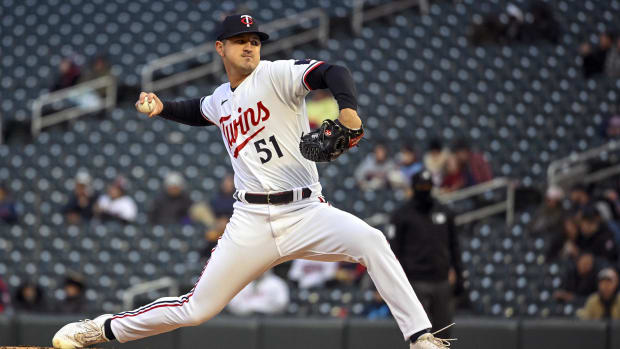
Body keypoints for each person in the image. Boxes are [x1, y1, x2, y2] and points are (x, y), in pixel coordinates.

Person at [53, 14, 447, 349]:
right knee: (196, 309)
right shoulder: (221, 97)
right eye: (240, 40)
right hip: (251, 220)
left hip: (305, 209)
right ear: (219, 48)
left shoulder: (276, 75)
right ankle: (99, 330)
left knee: (372, 241)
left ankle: (421, 338)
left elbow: (333, 71)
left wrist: (349, 110)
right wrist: (162, 107)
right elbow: (198, 110)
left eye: (255, 40)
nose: (249, 47)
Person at [389, 170, 462, 337]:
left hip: (441, 281)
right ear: (414, 187)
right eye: (421, 186)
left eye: (428, 186)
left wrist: (459, 276)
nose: (424, 189)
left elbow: (455, 246)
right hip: (415, 282)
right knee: (421, 335)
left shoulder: (445, 212)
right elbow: (393, 252)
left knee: (444, 334)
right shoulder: (401, 215)